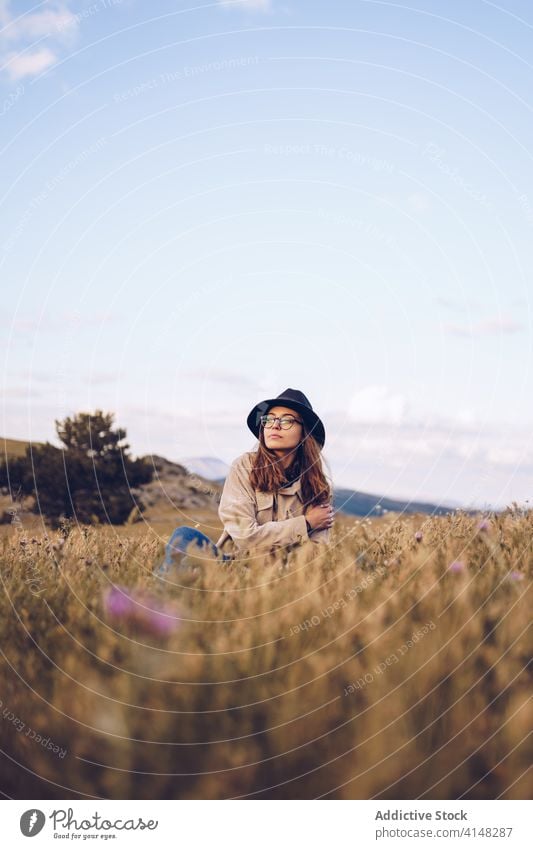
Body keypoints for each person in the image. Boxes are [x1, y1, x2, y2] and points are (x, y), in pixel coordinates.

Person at [156, 388, 334, 573]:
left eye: (287, 420)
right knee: (184, 535)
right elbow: (245, 536)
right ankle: (156, 599)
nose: (275, 425)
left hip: (283, 574)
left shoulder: (317, 486)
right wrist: (305, 523)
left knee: (358, 561)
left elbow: (316, 552)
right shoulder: (244, 467)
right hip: (232, 566)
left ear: (304, 433)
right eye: (269, 419)